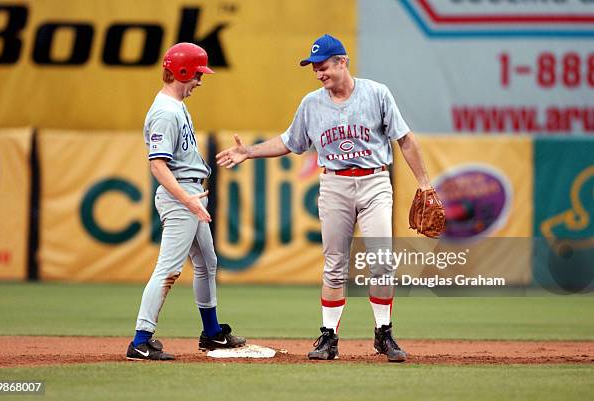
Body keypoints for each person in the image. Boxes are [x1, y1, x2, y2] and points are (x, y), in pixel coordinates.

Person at [216, 34, 435, 362]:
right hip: (334, 185)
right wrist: (250, 152)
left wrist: (425, 185)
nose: (318, 73)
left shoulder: (376, 94)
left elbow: (404, 139)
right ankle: (328, 338)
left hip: (375, 181)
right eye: (314, 68)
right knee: (334, 265)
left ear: (342, 62)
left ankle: (383, 334)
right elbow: (290, 141)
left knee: (382, 263)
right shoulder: (311, 103)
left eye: (324, 67)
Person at [126, 42, 246, 361]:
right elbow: (157, 165)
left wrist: (191, 200)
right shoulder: (165, 112)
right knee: (168, 269)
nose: (199, 81)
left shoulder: (175, 105)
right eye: (196, 74)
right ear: (182, 72)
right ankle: (141, 339)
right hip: (181, 194)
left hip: (189, 193)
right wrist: (187, 201)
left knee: (207, 263)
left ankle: (211, 333)